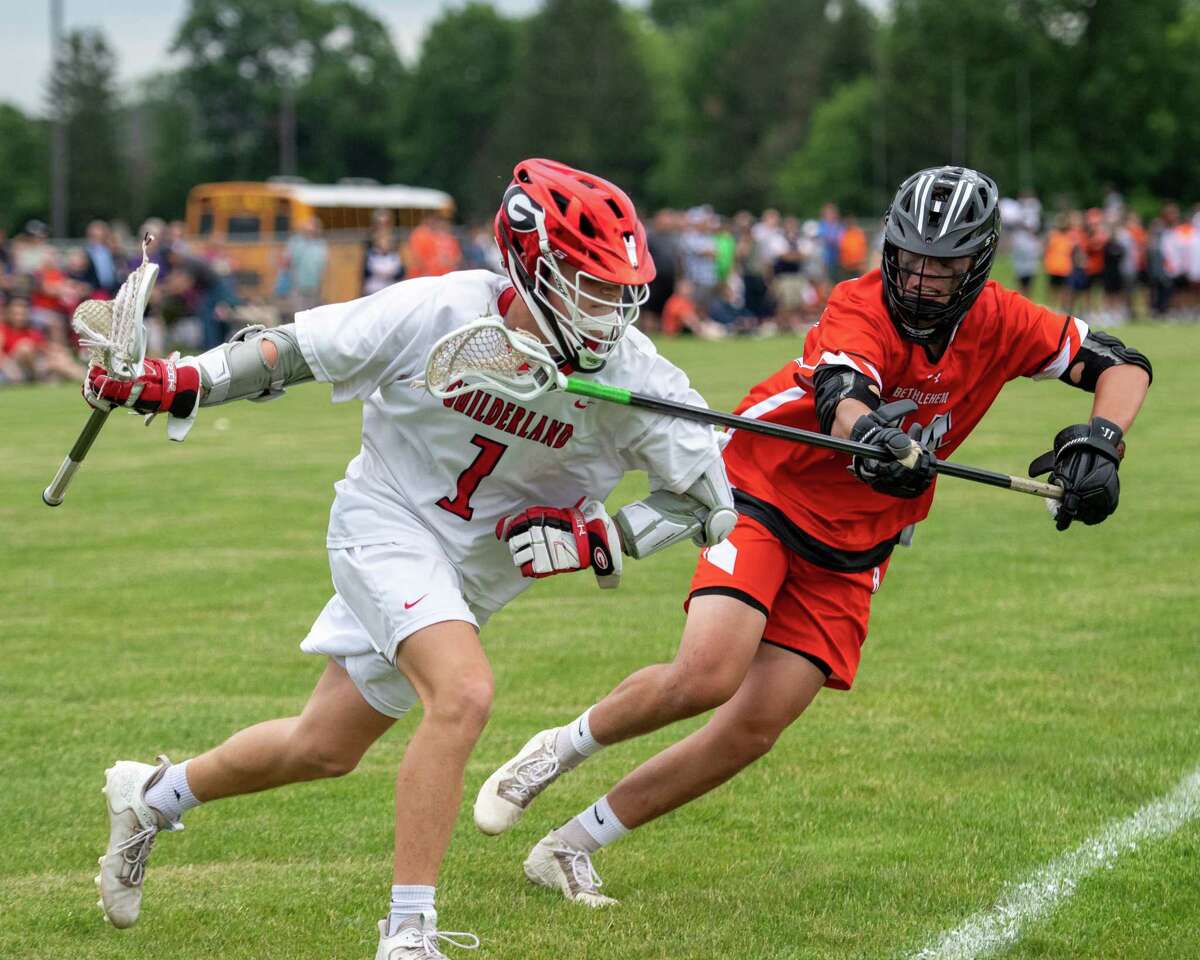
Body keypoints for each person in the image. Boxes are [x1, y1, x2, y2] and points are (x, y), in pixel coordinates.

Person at [84, 158, 736, 959]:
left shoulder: (637, 377)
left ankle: (152, 795)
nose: (609, 309)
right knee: (463, 695)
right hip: (384, 523)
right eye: (587, 284)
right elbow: (292, 351)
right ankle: (409, 932)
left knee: (323, 746)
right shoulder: (441, 306)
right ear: (533, 263)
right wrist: (177, 379)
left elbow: (708, 505)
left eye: (616, 288)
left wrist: (605, 537)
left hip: (468, 578)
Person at [474, 165, 1153, 906]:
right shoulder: (858, 305)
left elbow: (1122, 363)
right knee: (709, 672)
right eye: (911, 256)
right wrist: (878, 440)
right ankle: (557, 750)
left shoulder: (1004, 319)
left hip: (859, 541)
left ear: (979, 265)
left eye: (944, 265)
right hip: (768, 487)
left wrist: (1103, 442)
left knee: (754, 727)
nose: (922, 279)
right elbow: (843, 398)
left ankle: (571, 845)